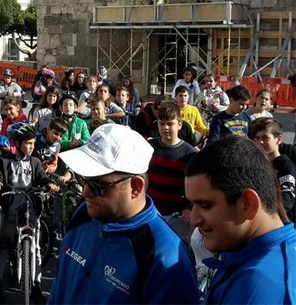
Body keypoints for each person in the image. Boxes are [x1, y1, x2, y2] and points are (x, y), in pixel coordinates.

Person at [49, 123, 200, 304]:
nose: (86, 193)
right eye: (84, 180)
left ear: (135, 187)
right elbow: (60, 286)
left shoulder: (165, 257)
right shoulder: (85, 213)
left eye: (98, 186)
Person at [184, 135, 296, 303]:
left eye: (205, 206)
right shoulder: (250, 255)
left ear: (248, 204)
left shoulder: (257, 286)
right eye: (192, 204)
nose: (194, 219)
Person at [0, 121, 59, 302]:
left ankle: (36, 285)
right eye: (28, 143)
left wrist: (49, 184)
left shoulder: (35, 162)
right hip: (11, 207)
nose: (31, 147)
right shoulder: (4, 161)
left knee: (35, 247)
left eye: (33, 143)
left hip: (31, 206)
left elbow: (42, 177)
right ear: (17, 143)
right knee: (4, 246)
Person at [146, 101, 196, 240]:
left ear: (179, 124)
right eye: (162, 123)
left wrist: (189, 207)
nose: (165, 128)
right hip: (151, 210)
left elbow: (194, 185)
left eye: (170, 124)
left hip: (177, 215)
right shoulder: (149, 147)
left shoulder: (189, 153)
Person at [249, 117, 296, 223]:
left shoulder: (286, 166)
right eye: (257, 138)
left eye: (265, 137)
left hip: (281, 223)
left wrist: (265, 216)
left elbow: (287, 201)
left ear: (279, 139)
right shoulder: (259, 164)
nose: (260, 142)